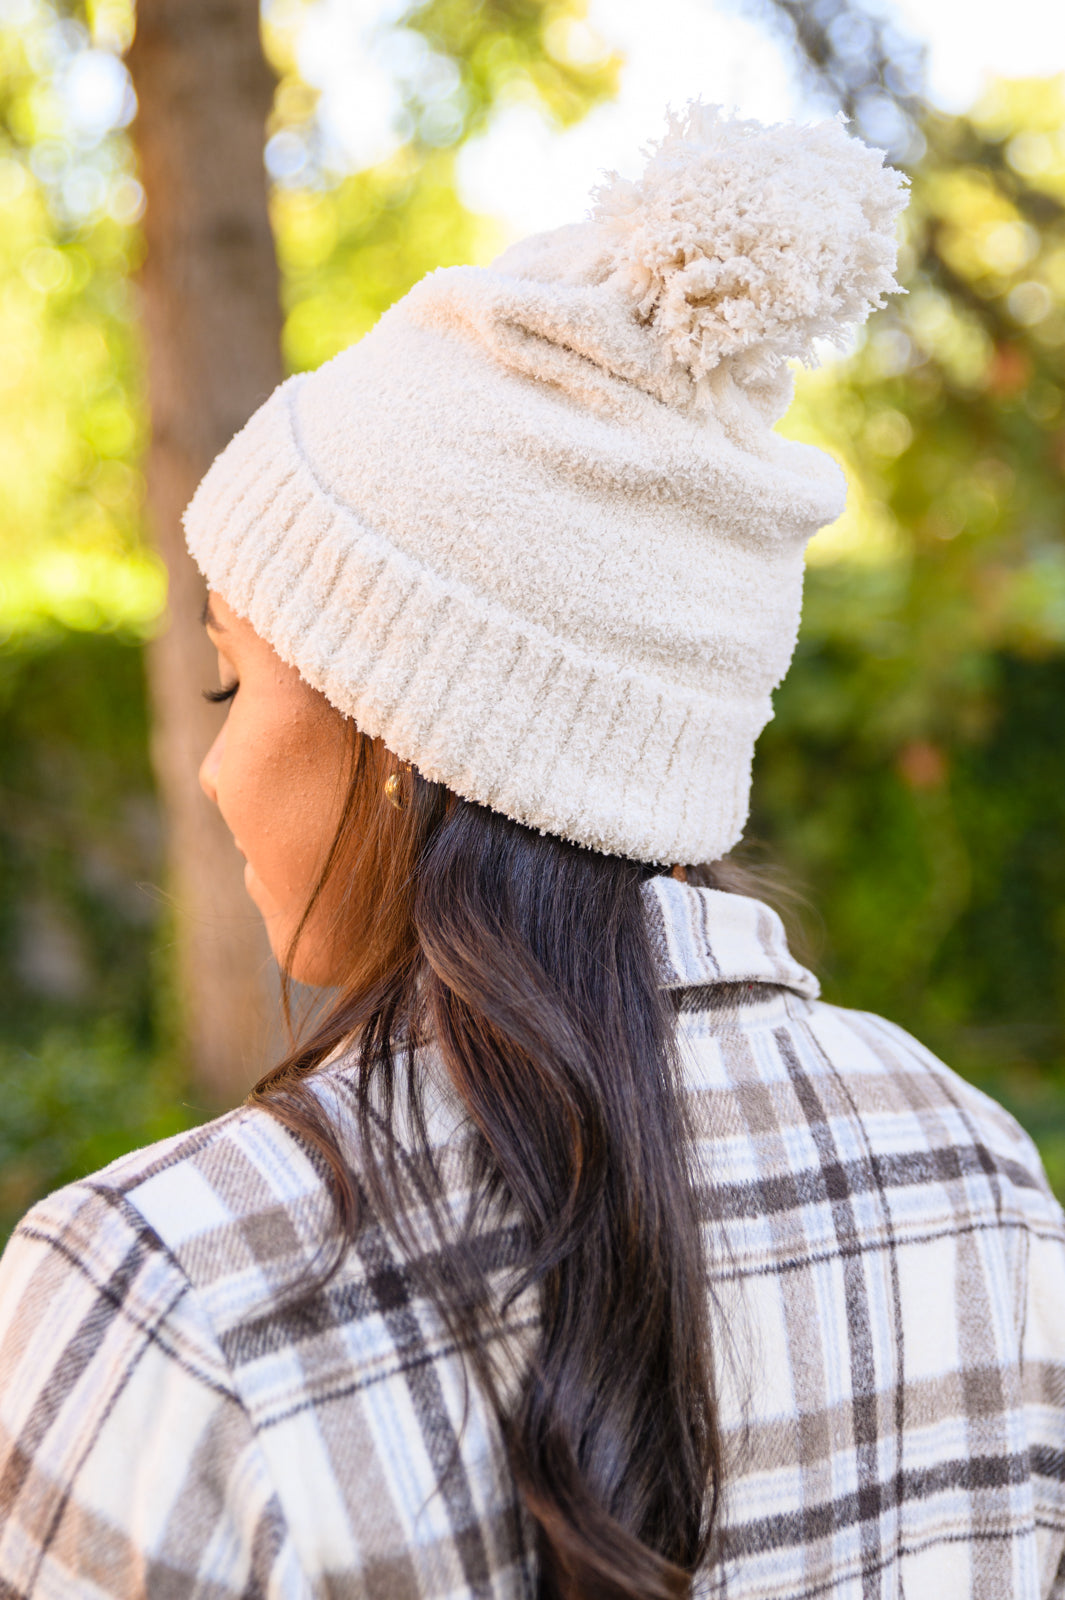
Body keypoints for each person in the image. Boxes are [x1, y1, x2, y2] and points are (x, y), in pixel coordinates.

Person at [0, 104, 1062, 1600]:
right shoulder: (981, 1178)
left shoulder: (171, 1288)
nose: (219, 773)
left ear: (404, 734)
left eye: (236, 682)